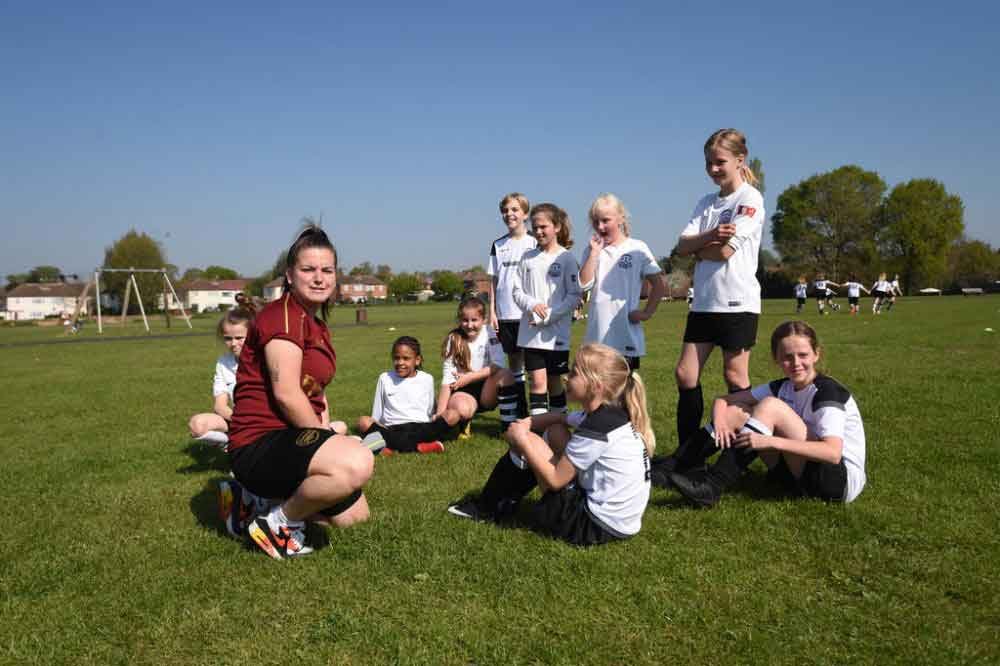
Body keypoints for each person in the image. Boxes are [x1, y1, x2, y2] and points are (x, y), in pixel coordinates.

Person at [227, 225, 375, 560]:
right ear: (290, 276)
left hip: (290, 441)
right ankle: (277, 525)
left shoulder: (315, 324)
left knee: (356, 520)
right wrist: (326, 440)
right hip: (258, 444)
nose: (319, 278)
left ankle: (253, 505)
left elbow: (314, 393)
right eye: (308, 269)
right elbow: (287, 394)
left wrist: (326, 433)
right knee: (356, 462)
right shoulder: (282, 316)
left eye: (327, 270)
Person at [449, 343, 654, 547]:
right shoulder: (608, 415)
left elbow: (556, 480)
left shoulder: (596, 427)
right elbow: (560, 418)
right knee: (555, 431)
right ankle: (503, 500)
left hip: (591, 526)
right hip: (619, 523)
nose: (566, 377)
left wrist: (522, 439)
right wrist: (527, 422)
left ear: (596, 386)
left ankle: (489, 506)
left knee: (531, 441)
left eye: (574, 373)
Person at [654, 129, 765, 482]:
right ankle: (688, 457)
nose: (714, 169)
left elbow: (724, 251)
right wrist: (705, 240)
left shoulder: (750, 199)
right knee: (686, 375)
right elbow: (683, 246)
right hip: (704, 302)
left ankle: (736, 459)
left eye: (720, 162)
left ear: (739, 160)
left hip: (737, 301)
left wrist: (700, 247)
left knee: (736, 378)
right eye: (709, 163)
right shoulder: (706, 203)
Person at [666, 320, 867, 508]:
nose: (796, 362)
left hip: (837, 484)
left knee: (770, 406)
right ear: (776, 359)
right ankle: (677, 465)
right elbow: (724, 400)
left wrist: (771, 442)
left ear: (816, 355)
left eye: (803, 355)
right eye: (787, 357)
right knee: (737, 413)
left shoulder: (827, 392)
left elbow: (832, 454)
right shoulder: (783, 386)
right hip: (800, 474)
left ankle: (712, 486)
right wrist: (720, 421)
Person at [511, 203, 582, 419]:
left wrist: (549, 315)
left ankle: (559, 423)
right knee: (537, 382)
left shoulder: (567, 258)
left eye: (544, 226)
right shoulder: (527, 257)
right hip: (531, 334)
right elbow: (516, 291)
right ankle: (539, 430)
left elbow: (574, 295)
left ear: (557, 227)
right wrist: (532, 305)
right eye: (535, 227)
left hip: (557, 333)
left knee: (554, 382)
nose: (539, 231)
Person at [579, 193, 666, 370]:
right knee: (599, 390)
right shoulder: (591, 250)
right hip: (598, 333)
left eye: (605, 220)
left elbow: (658, 284)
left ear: (620, 219)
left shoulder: (637, 248)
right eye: (595, 222)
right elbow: (583, 285)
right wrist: (594, 254)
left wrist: (647, 312)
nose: (600, 226)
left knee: (625, 388)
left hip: (626, 333)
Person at [356, 336, 459, 455]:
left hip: (421, 428)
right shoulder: (384, 378)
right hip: (393, 429)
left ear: (417, 360)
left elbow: (430, 410)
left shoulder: (427, 379)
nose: (400, 363)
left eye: (406, 358)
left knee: (453, 415)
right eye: (396, 358)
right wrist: (375, 426)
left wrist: (437, 420)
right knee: (362, 422)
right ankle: (421, 447)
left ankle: (384, 447)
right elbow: (377, 415)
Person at [436, 295, 518, 437]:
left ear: (483, 319)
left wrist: (470, 377)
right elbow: (447, 378)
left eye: (474, 320)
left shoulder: (489, 332)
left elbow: (498, 363)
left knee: (507, 375)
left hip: (486, 387)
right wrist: (439, 414)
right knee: (462, 410)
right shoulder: (454, 338)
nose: (469, 325)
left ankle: (507, 428)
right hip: (463, 389)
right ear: (459, 320)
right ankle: (464, 422)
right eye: (465, 320)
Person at [488, 192, 536, 420]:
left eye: (515, 209)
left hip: (528, 314)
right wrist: (492, 312)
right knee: (515, 363)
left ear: (525, 213)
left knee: (535, 364)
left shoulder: (535, 241)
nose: (510, 214)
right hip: (506, 314)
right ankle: (521, 410)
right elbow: (493, 280)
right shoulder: (498, 245)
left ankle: (540, 414)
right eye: (506, 211)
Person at [188, 295, 256, 450]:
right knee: (197, 425)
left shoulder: (265, 360)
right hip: (238, 420)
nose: (233, 344)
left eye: (240, 338)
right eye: (228, 338)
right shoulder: (223, 363)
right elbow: (220, 406)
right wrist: (240, 422)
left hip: (264, 423)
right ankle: (231, 443)